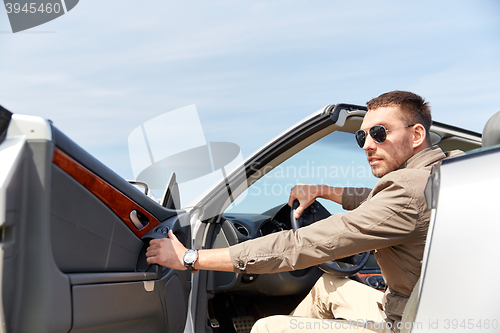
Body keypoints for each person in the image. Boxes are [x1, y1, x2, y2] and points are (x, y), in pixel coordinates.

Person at [146, 91, 452, 332]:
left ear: (415, 136)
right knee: (328, 287)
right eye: (362, 137)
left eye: (379, 133)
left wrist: (191, 258)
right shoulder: (447, 173)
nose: (367, 145)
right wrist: (323, 190)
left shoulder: (406, 192)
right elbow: (377, 201)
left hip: (408, 325)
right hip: (427, 312)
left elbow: (301, 245)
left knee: (268, 328)